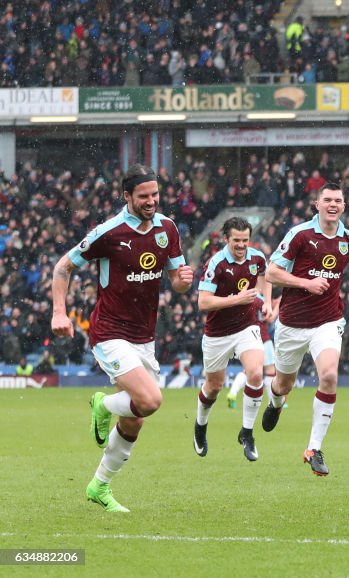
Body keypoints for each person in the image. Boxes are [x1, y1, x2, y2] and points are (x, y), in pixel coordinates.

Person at [51, 164, 193, 512]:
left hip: (145, 336)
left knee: (136, 418)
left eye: (155, 195)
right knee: (151, 400)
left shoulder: (168, 229)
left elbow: (175, 278)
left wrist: (183, 281)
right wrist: (58, 312)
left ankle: (100, 485)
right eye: (143, 196)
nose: (151, 201)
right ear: (127, 196)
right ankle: (102, 404)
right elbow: (62, 267)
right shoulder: (108, 232)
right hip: (110, 332)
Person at [262, 182, 349, 476]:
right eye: (327, 200)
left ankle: (314, 448)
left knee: (329, 374)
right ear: (317, 204)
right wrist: (305, 283)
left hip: (328, 321)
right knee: (283, 384)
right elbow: (272, 271)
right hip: (291, 324)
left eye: (338, 201)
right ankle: (275, 401)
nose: (332, 205)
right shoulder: (300, 235)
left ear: (344, 206)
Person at [194, 217, 273, 461]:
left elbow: (264, 277)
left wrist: (267, 301)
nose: (241, 245)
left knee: (257, 374)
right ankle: (200, 425)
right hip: (217, 333)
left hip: (247, 326)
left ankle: (247, 433)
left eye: (245, 240)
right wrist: (236, 299)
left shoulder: (257, 258)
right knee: (214, 387)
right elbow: (203, 302)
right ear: (226, 239)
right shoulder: (215, 264)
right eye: (236, 240)